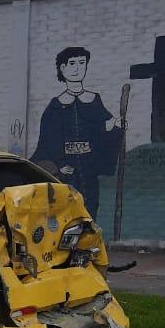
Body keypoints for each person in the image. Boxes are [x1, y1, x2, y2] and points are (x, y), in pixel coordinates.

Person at [31, 45, 123, 220]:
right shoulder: (55, 105)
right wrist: (59, 163)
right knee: (66, 208)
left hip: (89, 166)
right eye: (72, 63)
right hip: (66, 169)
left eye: (82, 63)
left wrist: (115, 128)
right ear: (63, 68)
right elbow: (48, 139)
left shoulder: (94, 100)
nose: (77, 68)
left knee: (90, 205)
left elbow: (103, 129)